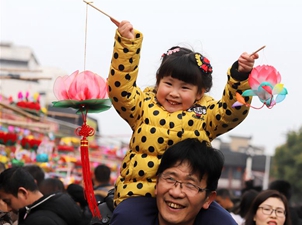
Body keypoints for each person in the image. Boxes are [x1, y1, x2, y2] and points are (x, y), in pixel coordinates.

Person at [107, 19, 258, 224]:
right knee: (126, 218)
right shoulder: (142, 106)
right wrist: (127, 46)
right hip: (140, 194)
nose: (174, 93)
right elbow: (120, 90)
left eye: (184, 88)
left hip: (190, 198)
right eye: (168, 83)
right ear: (158, 81)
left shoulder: (207, 115)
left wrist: (241, 76)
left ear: (200, 93)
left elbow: (234, 111)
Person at [111, 138, 234, 225]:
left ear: (208, 199)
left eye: (190, 184)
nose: (175, 192)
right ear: (157, 182)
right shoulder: (127, 217)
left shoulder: (222, 222)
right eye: (170, 179)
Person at [0, 167, 83, 225]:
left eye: (7, 201)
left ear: (23, 193)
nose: (8, 208)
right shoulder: (58, 203)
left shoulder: (38, 221)